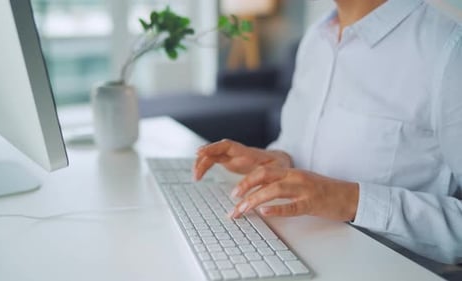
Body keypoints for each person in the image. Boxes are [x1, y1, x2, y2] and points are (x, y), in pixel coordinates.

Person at [194, 0, 462, 266]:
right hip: (283, 252)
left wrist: (351, 200)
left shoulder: (449, 49)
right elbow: (300, 144)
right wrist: (277, 159)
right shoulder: (316, 37)